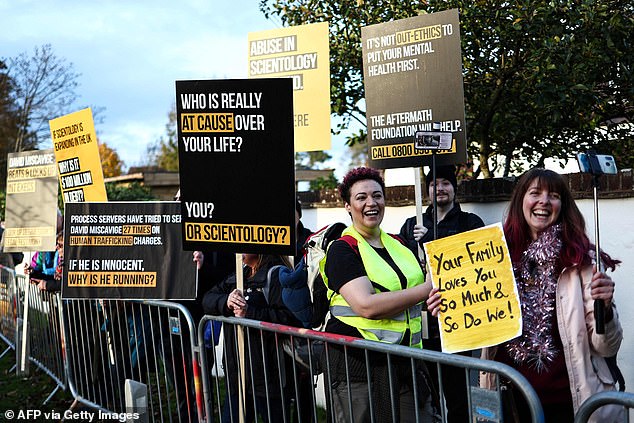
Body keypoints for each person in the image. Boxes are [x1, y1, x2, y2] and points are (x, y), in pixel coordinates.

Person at [427, 168, 624, 422]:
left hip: (569, 401)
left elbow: (607, 346)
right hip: (509, 399)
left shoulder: (581, 262)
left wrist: (605, 311)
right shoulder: (494, 255)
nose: (544, 201)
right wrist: (449, 306)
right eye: (535, 193)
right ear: (521, 200)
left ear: (562, 205)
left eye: (553, 195)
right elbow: (475, 326)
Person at [321, 167, 437, 423]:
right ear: (348, 206)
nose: (371, 203)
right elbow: (367, 306)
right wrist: (427, 289)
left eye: (377, 195)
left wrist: (433, 300)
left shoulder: (401, 245)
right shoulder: (342, 249)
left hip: (405, 362)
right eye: (361, 197)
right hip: (358, 366)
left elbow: (412, 298)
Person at [399, 164, 484, 423]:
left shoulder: (470, 222)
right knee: (427, 395)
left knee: (458, 395)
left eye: (446, 183)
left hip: (457, 322)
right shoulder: (412, 224)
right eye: (434, 184)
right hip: (420, 323)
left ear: (454, 189)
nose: (440, 188)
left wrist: (434, 239)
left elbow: (478, 262)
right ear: (427, 191)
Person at [202, 253, 301, 423]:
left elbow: (290, 318)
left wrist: (250, 313)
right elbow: (207, 299)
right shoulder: (240, 274)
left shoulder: (277, 274)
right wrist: (227, 301)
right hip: (238, 376)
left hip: (269, 377)